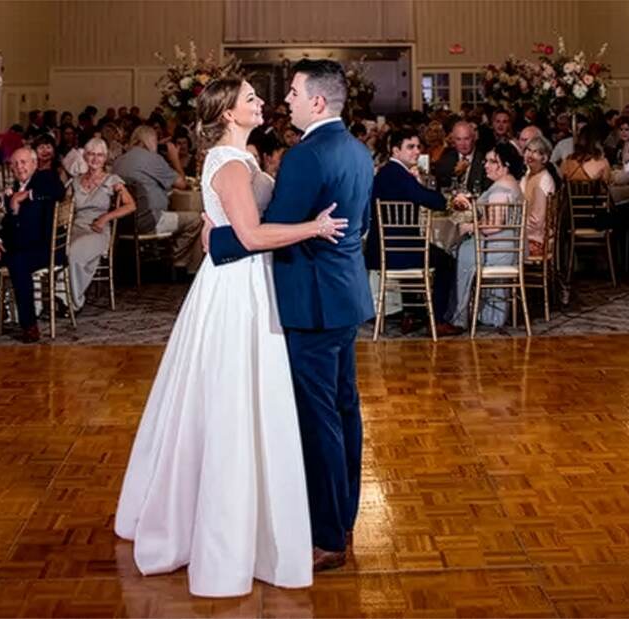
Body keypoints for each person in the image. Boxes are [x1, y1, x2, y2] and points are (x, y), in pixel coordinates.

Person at [115, 74, 349, 597]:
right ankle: (230, 524)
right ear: (227, 114)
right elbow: (249, 236)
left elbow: (217, 232)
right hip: (239, 288)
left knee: (240, 397)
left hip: (243, 281)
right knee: (234, 399)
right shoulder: (229, 163)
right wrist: (315, 227)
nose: (261, 102)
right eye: (250, 99)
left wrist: (220, 231)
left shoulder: (239, 161)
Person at [205, 59, 376, 574]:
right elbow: (358, 226)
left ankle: (326, 537)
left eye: (296, 93)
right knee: (345, 409)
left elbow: (268, 230)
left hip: (311, 302)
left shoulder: (305, 157)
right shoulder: (359, 151)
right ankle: (343, 516)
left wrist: (215, 239)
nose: (288, 101)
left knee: (319, 418)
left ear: (318, 103)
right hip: (345, 297)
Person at [365, 127, 459, 335]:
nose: (416, 151)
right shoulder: (398, 175)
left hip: (382, 247)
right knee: (447, 262)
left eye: (418, 146)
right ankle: (437, 319)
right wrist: (442, 197)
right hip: (395, 250)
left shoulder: (387, 173)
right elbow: (434, 201)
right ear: (395, 151)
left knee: (420, 248)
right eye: (410, 147)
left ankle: (411, 314)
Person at [0, 147, 65, 343]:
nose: (20, 167)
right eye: (16, 164)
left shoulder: (45, 179)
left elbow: (58, 191)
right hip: (16, 246)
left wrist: (25, 196)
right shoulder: (11, 190)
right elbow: (8, 224)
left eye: (24, 162)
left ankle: (29, 325)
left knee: (17, 262)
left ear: (34, 164)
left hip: (44, 248)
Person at [448, 142, 525, 329]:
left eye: (492, 161)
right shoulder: (511, 183)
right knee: (462, 248)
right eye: (486, 161)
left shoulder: (500, 190)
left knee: (458, 252)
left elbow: (494, 226)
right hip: (506, 247)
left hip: (497, 249)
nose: (486, 165)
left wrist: (470, 227)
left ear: (505, 165)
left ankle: (458, 315)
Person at [113, 125, 205, 274]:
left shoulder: (119, 161)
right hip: (150, 220)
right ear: (149, 140)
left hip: (123, 223)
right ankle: (177, 264)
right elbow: (182, 184)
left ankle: (169, 262)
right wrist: (175, 158)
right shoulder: (151, 159)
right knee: (197, 219)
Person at [65, 138, 136, 311]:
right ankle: (62, 298)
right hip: (75, 227)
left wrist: (106, 217)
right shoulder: (75, 181)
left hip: (98, 230)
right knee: (60, 251)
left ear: (105, 158)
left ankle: (74, 302)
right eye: (91, 154)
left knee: (74, 252)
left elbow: (131, 205)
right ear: (85, 156)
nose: (95, 159)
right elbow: (64, 208)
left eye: (100, 155)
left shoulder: (112, 180)